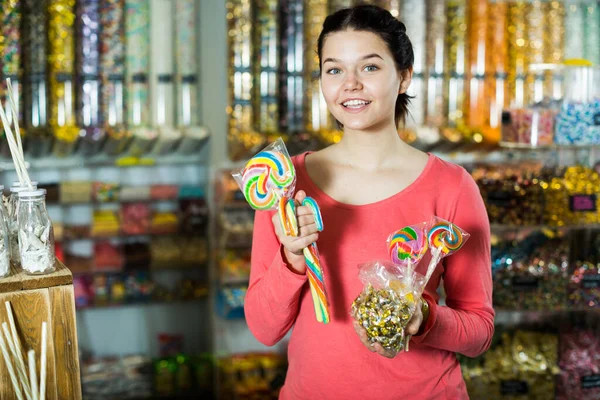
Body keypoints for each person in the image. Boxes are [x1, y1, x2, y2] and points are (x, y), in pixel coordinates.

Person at [244, 4, 494, 399]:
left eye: (370, 67)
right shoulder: (285, 185)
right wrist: (292, 260)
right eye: (334, 69)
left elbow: (479, 332)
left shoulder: (452, 186)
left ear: (404, 76)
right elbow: (263, 328)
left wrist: (424, 318)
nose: (350, 84)